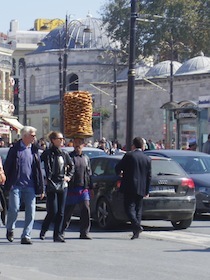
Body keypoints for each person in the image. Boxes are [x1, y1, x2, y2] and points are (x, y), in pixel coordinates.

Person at [3, 126, 45, 245]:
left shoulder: (34, 150)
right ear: (25, 136)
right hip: (15, 185)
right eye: (32, 135)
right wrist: (6, 182)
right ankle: (10, 228)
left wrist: (41, 188)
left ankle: (26, 235)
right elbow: (8, 166)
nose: (34, 138)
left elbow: (38, 170)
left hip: (30, 185)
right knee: (14, 209)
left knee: (31, 211)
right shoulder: (15, 149)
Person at [40, 131, 74, 242]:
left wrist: (68, 176)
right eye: (59, 139)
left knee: (61, 211)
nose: (62, 141)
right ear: (53, 140)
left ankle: (58, 234)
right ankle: (44, 230)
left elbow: (71, 166)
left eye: (62, 139)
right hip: (51, 183)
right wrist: (45, 179)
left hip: (62, 183)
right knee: (53, 211)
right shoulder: (47, 153)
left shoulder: (64, 154)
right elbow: (41, 166)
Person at [115, 137, 151, 240]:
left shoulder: (129, 156)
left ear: (133, 145)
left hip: (129, 186)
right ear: (143, 146)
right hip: (142, 187)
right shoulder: (147, 158)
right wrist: (147, 190)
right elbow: (149, 176)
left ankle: (136, 225)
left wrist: (120, 173)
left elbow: (118, 167)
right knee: (138, 210)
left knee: (129, 208)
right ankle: (136, 232)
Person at [61, 137, 92, 239]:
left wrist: (90, 187)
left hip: (83, 188)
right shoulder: (69, 157)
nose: (78, 145)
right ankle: (61, 232)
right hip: (71, 188)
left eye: (80, 143)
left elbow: (89, 173)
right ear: (73, 144)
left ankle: (84, 232)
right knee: (67, 212)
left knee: (86, 210)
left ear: (83, 145)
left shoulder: (86, 158)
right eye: (76, 143)